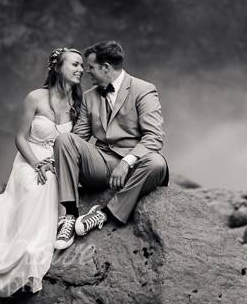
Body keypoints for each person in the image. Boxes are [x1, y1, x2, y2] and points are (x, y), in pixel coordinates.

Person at [0, 47, 84, 297]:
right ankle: (26, 254)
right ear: (58, 68)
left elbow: (79, 142)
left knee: (55, 182)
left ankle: (35, 252)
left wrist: (58, 164)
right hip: (30, 159)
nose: (81, 70)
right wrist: (37, 163)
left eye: (82, 66)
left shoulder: (79, 103)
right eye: (75, 65)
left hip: (60, 162)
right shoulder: (35, 97)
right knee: (40, 184)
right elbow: (20, 137)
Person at [53, 40, 168, 250]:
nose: (87, 72)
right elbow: (78, 138)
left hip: (134, 166)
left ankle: (103, 214)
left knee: (157, 163)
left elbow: (154, 136)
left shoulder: (144, 90)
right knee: (65, 139)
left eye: (91, 67)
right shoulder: (89, 97)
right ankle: (69, 216)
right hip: (102, 163)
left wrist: (126, 162)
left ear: (106, 68)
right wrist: (54, 158)